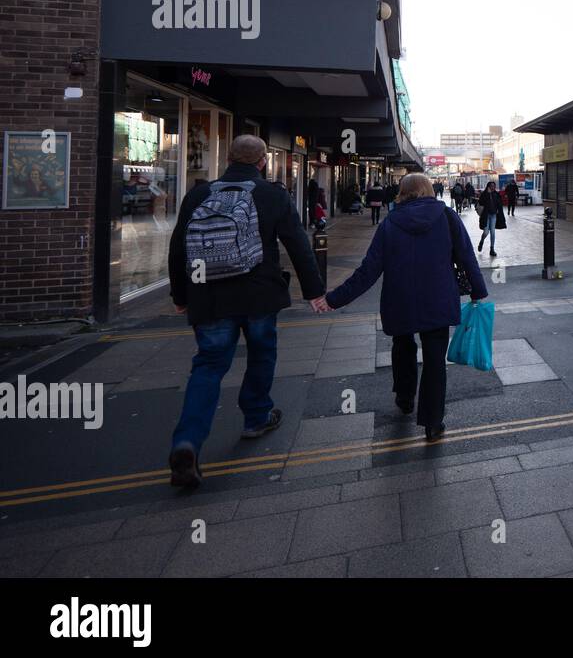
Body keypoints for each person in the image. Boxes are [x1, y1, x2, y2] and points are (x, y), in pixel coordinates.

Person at [166, 134, 326, 488]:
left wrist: (180, 294)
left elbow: (178, 248)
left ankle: (187, 441)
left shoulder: (199, 194)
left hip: (209, 297)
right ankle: (256, 416)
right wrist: (314, 292)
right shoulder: (271, 194)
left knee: (208, 366)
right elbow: (298, 244)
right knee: (261, 353)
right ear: (262, 162)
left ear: (228, 159)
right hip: (258, 295)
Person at [323, 173, 488, 439]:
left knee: (402, 345)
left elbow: (368, 271)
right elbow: (467, 257)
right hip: (438, 299)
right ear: (427, 190)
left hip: (400, 299)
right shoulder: (446, 218)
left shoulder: (390, 223)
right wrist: (478, 292)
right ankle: (432, 423)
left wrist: (334, 299)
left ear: (402, 192)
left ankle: (404, 396)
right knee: (435, 361)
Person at [477, 180, 504, 257]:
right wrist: (487, 194)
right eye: (491, 186)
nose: (493, 187)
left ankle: (492, 249)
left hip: (493, 215)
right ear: (488, 187)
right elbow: (481, 202)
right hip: (486, 215)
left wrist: (498, 210)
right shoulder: (484, 194)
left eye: (494, 186)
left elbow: (499, 203)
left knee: (493, 232)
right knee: (486, 232)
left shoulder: (496, 194)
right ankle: (481, 241)